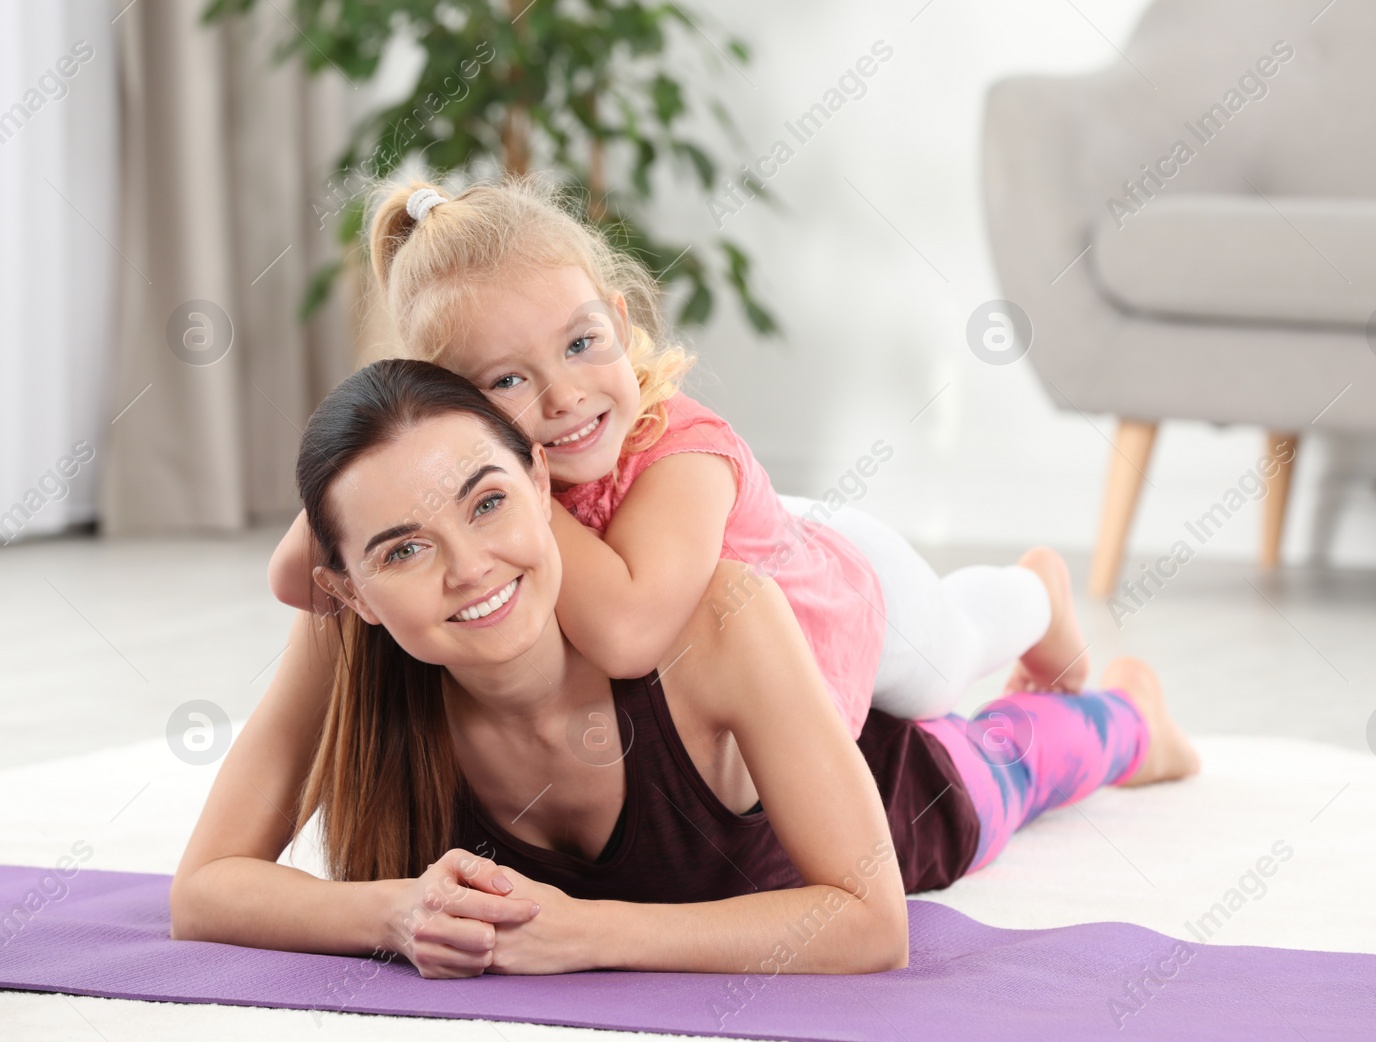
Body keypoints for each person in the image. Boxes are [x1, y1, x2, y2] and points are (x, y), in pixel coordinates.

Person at [170, 359, 1200, 979]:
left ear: (538, 476)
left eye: (486, 501)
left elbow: (869, 921)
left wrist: (587, 934)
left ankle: (1131, 710)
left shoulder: (717, 614)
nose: (467, 565)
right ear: (345, 586)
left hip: (895, 787)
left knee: (1020, 757)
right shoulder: (345, 644)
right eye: (400, 548)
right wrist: (392, 909)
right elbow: (206, 888)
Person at [266, 174, 1092, 742]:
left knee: (942, 665)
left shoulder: (677, 450)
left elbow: (627, 636)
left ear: (621, 323)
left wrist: (501, 476)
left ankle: (1038, 595)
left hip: (843, 583)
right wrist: (396, 457)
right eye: (508, 380)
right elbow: (296, 577)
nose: (564, 396)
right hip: (709, 544)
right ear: (463, 406)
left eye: (583, 343)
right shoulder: (486, 459)